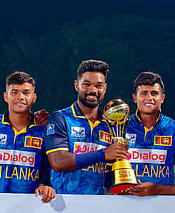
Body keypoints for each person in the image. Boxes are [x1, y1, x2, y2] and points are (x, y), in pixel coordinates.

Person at [0, 71, 56, 204]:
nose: (20, 97)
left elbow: (48, 166)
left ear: (34, 97)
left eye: (26, 93)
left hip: (32, 205)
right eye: (14, 92)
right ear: (6, 96)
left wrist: (44, 185)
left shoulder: (44, 130)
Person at [44, 59, 128, 195]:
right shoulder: (60, 119)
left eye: (98, 86)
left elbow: (104, 173)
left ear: (105, 88)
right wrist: (103, 154)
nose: (93, 90)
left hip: (97, 204)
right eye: (87, 84)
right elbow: (58, 162)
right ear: (77, 85)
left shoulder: (110, 125)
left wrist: (126, 180)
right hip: (64, 203)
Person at [122, 71, 175, 187]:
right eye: (144, 93)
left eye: (154, 93)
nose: (149, 98)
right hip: (127, 199)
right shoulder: (121, 127)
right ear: (135, 98)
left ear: (162, 98)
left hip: (162, 201)